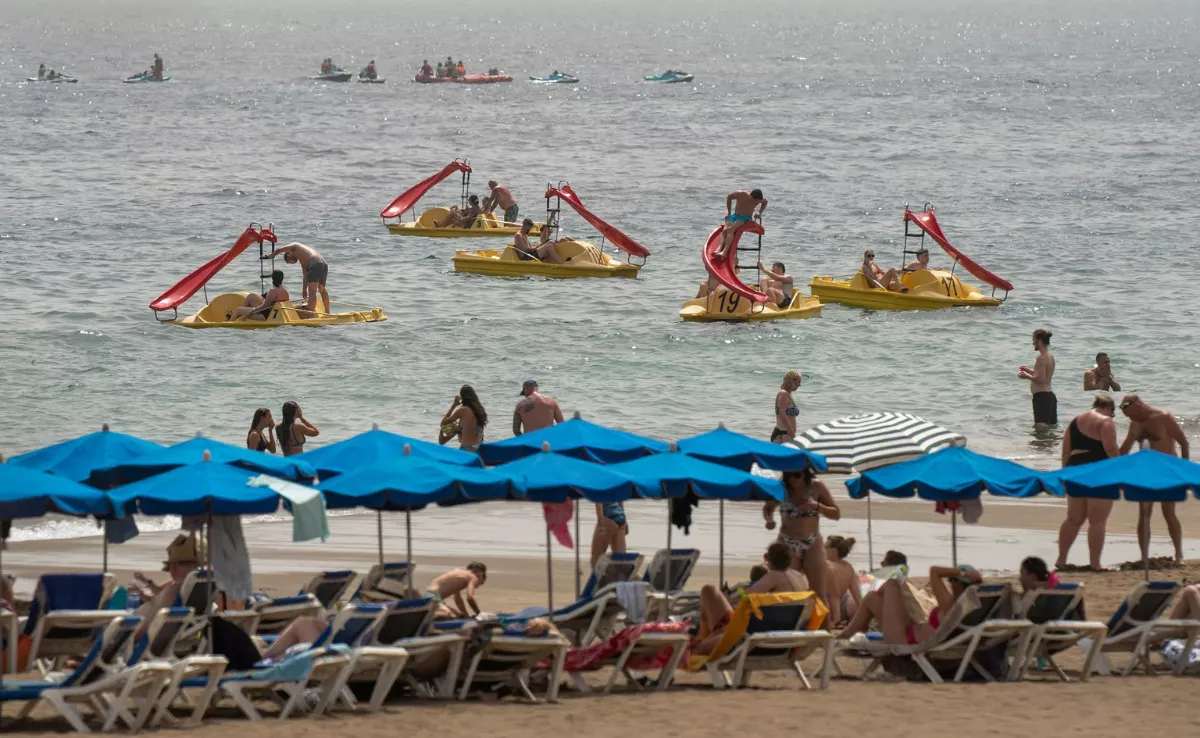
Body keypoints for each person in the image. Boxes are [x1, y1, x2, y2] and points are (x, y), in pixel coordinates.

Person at [693, 542, 807, 655]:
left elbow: (746, 598)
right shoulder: (800, 577)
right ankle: (706, 638)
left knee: (709, 590)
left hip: (757, 637)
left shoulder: (774, 576)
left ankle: (701, 639)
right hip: (788, 636)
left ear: (766, 557)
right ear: (790, 559)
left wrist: (729, 596)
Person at [1119, 394, 1190, 564]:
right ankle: (1144, 557)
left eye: (1130, 414)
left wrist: (1183, 470)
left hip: (1167, 470)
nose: (1130, 418)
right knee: (1144, 514)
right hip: (1145, 473)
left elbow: (1183, 443)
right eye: (1127, 416)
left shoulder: (1163, 417)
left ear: (1138, 405)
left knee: (1168, 512)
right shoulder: (1135, 424)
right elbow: (1125, 448)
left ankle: (1179, 555)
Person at [839, 564, 981, 645]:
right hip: (911, 631)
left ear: (958, 583)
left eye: (951, 580)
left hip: (903, 639)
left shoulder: (950, 604)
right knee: (872, 598)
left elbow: (934, 571)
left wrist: (962, 572)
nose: (949, 583)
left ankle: (847, 634)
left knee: (891, 584)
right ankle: (852, 631)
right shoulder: (971, 605)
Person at [1056, 394, 1119, 571]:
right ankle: (1095, 563)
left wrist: (1065, 473)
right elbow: (1111, 449)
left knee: (1073, 519)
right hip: (1098, 471)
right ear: (1109, 409)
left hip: (1075, 468)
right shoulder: (1106, 421)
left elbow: (1065, 451)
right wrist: (1121, 470)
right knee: (1097, 521)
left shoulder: (1074, 422)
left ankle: (1061, 560)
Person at [763, 467, 840, 608]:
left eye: (797, 475)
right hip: (787, 542)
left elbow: (836, 513)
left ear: (805, 473)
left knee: (819, 593)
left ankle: (825, 628)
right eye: (789, 475)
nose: (793, 479)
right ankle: (789, 626)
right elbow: (768, 508)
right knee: (787, 591)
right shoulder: (781, 488)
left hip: (812, 542)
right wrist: (769, 520)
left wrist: (817, 506)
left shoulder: (816, 486)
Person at [266, 242, 329, 316]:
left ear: (288, 254)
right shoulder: (303, 258)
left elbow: (279, 249)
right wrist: (304, 289)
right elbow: (305, 275)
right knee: (322, 289)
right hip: (323, 263)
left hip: (315, 263)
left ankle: (310, 313)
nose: (292, 263)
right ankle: (327, 312)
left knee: (312, 291)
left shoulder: (294, 246)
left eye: (289, 261)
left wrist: (270, 256)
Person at [714, 189, 767, 260]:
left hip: (745, 217)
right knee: (724, 230)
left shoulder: (759, 200)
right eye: (754, 200)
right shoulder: (742, 194)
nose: (755, 202)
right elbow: (729, 197)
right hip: (735, 215)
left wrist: (759, 213)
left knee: (730, 229)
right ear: (751, 196)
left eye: (757, 201)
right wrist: (728, 212)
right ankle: (718, 249)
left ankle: (724, 252)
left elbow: (765, 202)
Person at [1018, 328, 1057, 426]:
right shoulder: (1050, 356)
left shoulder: (1041, 358)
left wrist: (1026, 376)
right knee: (1050, 428)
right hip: (1049, 397)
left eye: (1033, 340)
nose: (1033, 343)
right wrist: (1028, 370)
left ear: (1038, 340)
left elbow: (1040, 379)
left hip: (1042, 398)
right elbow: (1042, 374)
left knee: (1041, 429)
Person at [440, 385, 488, 452]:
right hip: (479, 448)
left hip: (468, 449)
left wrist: (454, 405)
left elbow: (443, 423)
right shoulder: (479, 411)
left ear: (462, 398)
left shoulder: (463, 410)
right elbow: (442, 441)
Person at [825, 535, 860, 626]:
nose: (823, 549)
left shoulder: (828, 566)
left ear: (833, 551)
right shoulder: (848, 567)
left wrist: (836, 620)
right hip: (842, 609)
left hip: (829, 612)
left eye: (825, 547)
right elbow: (857, 595)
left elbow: (834, 595)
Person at [590, 501, 628, 569]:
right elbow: (621, 499)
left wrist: (601, 522)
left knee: (596, 558)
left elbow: (598, 501)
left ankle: (598, 578)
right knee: (620, 560)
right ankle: (619, 578)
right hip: (621, 516)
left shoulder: (600, 489)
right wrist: (625, 519)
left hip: (608, 516)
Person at [772, 369, 801, 443]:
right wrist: (791, 431)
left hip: (785, 434)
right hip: (782, 434)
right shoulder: (783, 394)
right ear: (789, 380)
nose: (799, 384)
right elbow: (782, 413)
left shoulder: (788, 394)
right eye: (797, 381)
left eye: (799, 382)